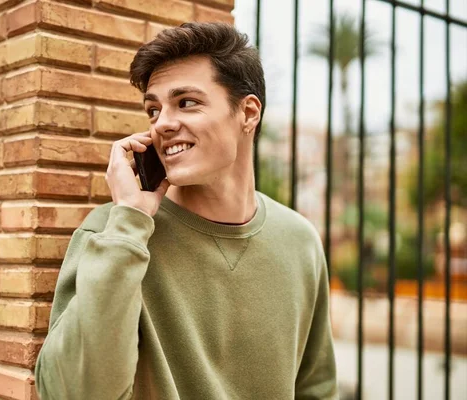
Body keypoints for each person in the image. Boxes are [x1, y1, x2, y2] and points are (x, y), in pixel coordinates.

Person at [34, 22, 338, 400]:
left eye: (186, 102)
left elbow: (316, 388)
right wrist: (128, 224)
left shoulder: (299, 240)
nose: (162, 123)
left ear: (247, 113)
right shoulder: (113, 234)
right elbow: (73, 392)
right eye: (153, 109)